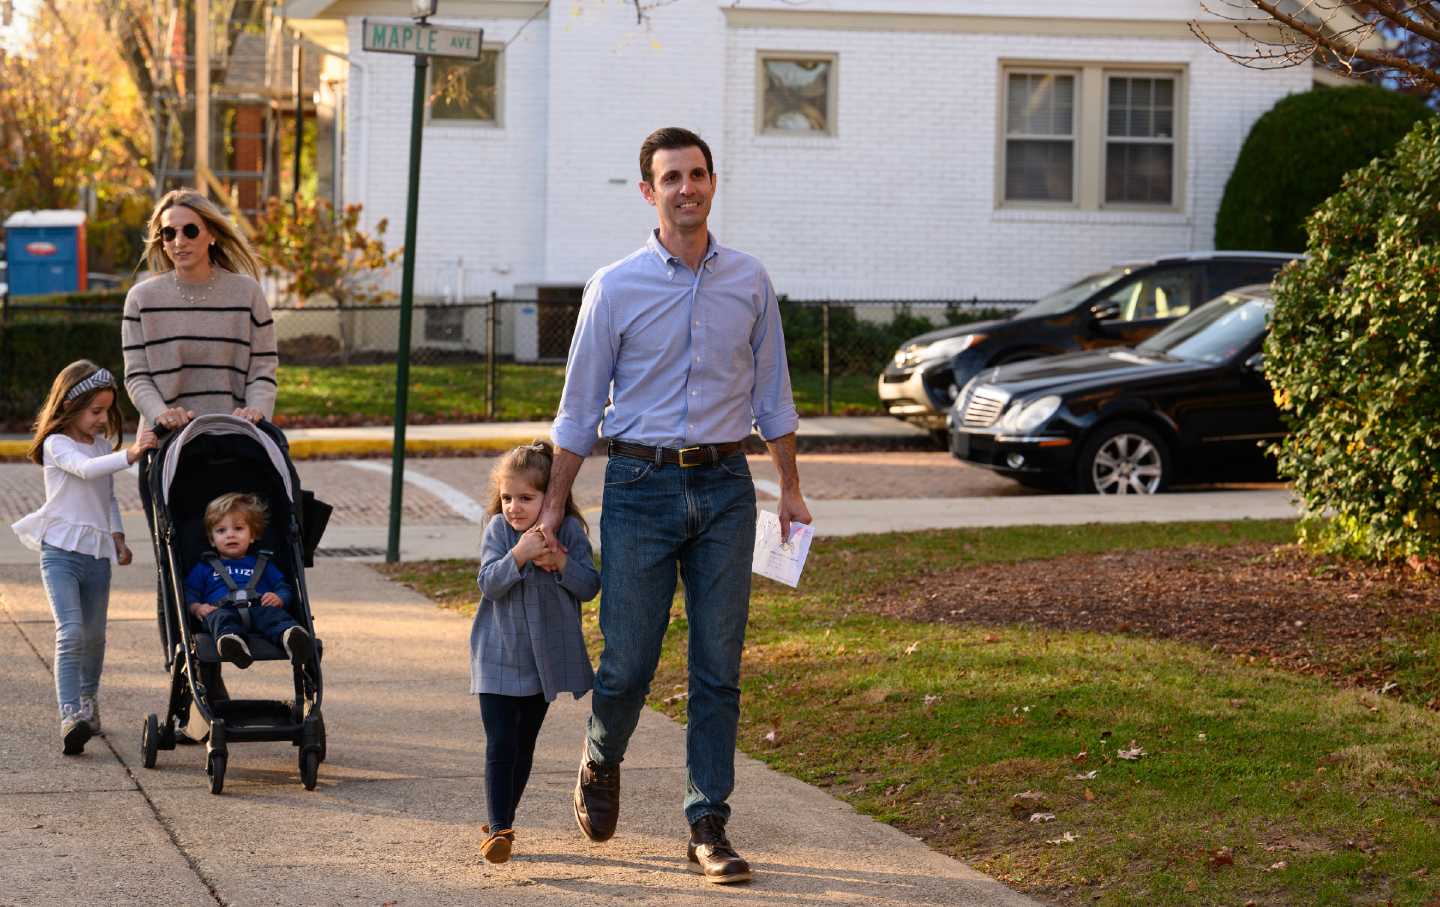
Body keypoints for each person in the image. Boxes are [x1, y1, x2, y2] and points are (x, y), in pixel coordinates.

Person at [542, 126, 811, 884]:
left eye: (697, 174)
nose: (686, 187)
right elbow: (579, 409)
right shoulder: (615, 285)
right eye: (671, 177)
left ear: (713, 183)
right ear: (648, 191)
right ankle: (601, 756)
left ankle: (707, 823)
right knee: (628, 662)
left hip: (727, 488)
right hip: (639, 488)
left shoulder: (750, 281)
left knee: (717, 667)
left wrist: (788, 487)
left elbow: (773, 395)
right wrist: (555, 506)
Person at [11, 361, 157, 754]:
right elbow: (87, 471)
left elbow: (106, 495)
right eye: (95, 411)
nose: (101, 419)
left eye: (107, 411)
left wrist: (118, 537)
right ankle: (70, 713)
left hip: (96, 557)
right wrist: (132, 454)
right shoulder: (59, 445)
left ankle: (89, 702)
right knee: (71, 632)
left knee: (95, 637)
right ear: (70, 406)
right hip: (60, 553)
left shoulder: (98, 446)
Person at [473, 441, 599, 864]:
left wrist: (561, 562)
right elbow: (489, 582)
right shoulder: (499, 531)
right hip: (497, 653)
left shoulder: (570, 536)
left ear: (553, 498)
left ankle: (500, 823)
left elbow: (588, 586)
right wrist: (519, 555)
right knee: (500, 742)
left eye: (526, 498)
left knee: (523, 745)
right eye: (507, 498)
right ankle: (500, 827)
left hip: (541, 661)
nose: (513, 507)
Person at [123, 189, 276, 437]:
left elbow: (263, 367)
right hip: (165, 446)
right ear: (161, 240)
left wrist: (256, 411)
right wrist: (161, 415)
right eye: (169, 233)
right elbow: (136, 376)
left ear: (212, 234)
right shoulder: (141, 299)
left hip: (236, 441)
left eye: (190, 231)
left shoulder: (248, 293)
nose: (179, 241)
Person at [182, 492, 313, 670]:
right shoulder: (204, 567)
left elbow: (283, 587)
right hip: (221, 610)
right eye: (221, 530)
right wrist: (196, 607)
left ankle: (291, 638)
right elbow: (190, 592)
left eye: (238, 528)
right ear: (212, 540)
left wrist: (280, 598)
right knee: (218, 618)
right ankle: (232, 643)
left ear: (252, 535)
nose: (230, 535)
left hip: (259, 608)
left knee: (275, 616)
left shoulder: (263, 563)